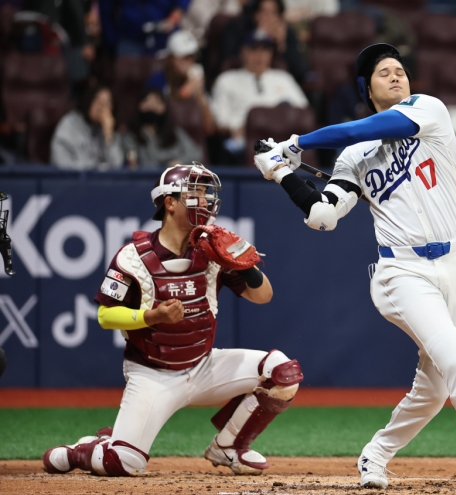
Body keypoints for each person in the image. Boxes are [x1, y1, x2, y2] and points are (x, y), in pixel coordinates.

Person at [253, 43, 456, 494]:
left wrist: (298, 144)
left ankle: (376, 453)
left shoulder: (428, 110)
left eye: (399, 70)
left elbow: (367, 128)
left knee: (435, 389)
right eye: (383, 72)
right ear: (366, 88)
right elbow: (323, 216)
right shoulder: (353, 158)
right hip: (401, 274)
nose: (395, 76)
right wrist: (282, 173)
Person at [42, 163, 303, 477]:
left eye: (207, 194)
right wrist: (152, 316)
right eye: (196, 194)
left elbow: (263, 296)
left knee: (282, 371)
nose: (206, 201)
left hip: (203, 365)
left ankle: (230, 446)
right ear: (170, 202)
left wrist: (245, 265)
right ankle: (84, 450)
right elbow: (105, 315)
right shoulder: (133, 256)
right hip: (153, 373)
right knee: (123, 463)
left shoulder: (211, 251)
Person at [212, 29, 308, 162]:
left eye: (265, 49)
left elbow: (303, 112)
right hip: (245, 145)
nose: (260, 55)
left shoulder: (283, 78)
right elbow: (221, 121)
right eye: (254, 49)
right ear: (243, 52)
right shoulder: (226, 80)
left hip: (282, 144)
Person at [219, 0, 309, 85]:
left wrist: (282, 45)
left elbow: (300, 72)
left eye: (274, 13)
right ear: (255, 14)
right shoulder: (238, 28)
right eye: (264, 12)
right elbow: (228, 61)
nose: (268, 18)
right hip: (243, 82)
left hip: (279, 85)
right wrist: (259, 36)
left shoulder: (287, 33)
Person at [147, 30, 216, 136]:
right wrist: (186, 90)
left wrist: (199, 96)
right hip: (163, 137)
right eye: (184, 58)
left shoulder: (195, 83)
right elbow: (159, 117)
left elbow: (210, 127)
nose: (188, 62)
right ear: (171, 58)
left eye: (192, 57)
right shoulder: (157, 80)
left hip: (192, 140)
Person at [121, 89, 203, 169]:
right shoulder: (130, 136)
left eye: (157, 102)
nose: (152, 105)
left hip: (173, 179)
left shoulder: (175, 133)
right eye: (147, 101)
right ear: (139, 106)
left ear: (165, 108)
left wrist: (180, 162)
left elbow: (196, 154)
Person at [51, 85, 123, 170]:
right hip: (73, 181)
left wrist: (108, 135)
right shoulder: (69, 125)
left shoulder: (108, 128)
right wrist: (97, 168)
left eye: (107, 103)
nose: (103, 108)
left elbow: (117, 166)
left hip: (101, 182)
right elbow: (61, 165)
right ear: (88, 101)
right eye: (98, 101)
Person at [98, 0, 189, 57]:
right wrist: (111, 40)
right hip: (129, 36)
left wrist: (177, 13)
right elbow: (105, 7)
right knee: (128, 82)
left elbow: (181, 5)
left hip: (163, 36)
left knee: (161, 82)